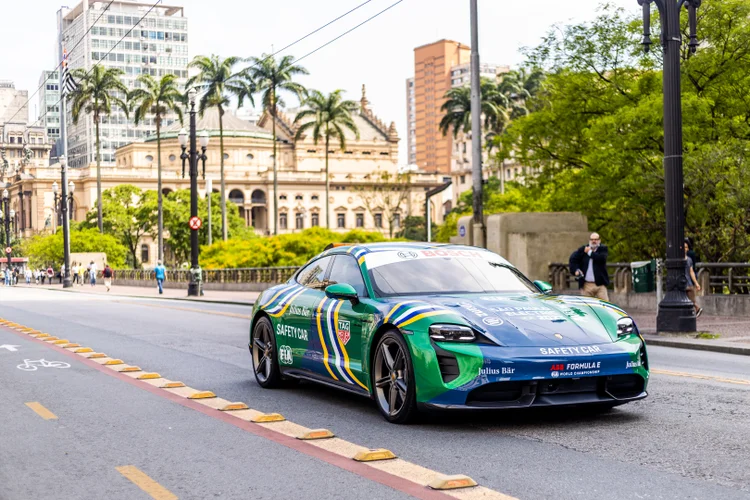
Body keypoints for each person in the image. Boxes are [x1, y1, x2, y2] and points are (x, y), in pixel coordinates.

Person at [569, 232, 610, 301]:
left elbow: (601, 259)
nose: (594, 241)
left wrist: (589, 252)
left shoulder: (603, 249)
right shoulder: (583, 249)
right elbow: (573, 259)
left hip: (600, 284)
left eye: (596, 239)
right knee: (587, 306)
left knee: (605, 305)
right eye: (592, 239)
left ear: (599, 241)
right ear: (589, 240)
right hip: (586, 284)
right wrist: (576, 270)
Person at [685, 241, 703, 318]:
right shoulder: (677, 259)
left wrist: (696, 283)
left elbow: (691, 272)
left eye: (686, 247)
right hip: (680, 284)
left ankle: (697, 309)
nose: (684, 249)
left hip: (688, 283)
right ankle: (696, 309)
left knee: (691, 300)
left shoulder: (689, 260)